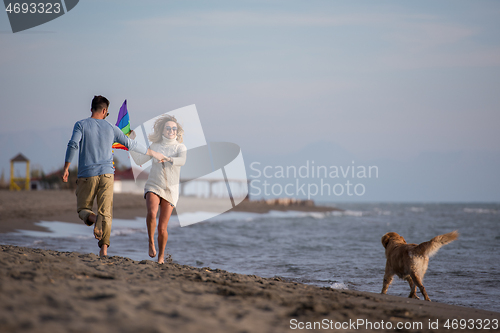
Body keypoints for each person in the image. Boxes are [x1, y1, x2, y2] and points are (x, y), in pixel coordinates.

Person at [62, 95, 167, 257]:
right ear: (105, 111)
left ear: (91, 109)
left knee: (83, 209)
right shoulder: (111, 128)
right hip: (107, 174)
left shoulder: (81, 125)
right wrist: (153, 153)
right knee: (107, 212)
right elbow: (131, 144)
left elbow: (73, 144)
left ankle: (94, 218)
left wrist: (67, 166)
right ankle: (103, 250)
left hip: (87, 175)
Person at [130, 114, 187, 264]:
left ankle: (161, 257)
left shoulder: (180, 147)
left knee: (162, 228)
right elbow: (139, 160)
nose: (171, 131)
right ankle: (150, 241)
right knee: (152, 213)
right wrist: (131, 142)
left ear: (177, 131)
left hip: (170, 190)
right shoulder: (155, 146)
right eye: (168, 128)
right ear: (162, 130)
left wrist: (169, 159)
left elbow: (182, 161)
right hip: (154, 185)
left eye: (174, 128)